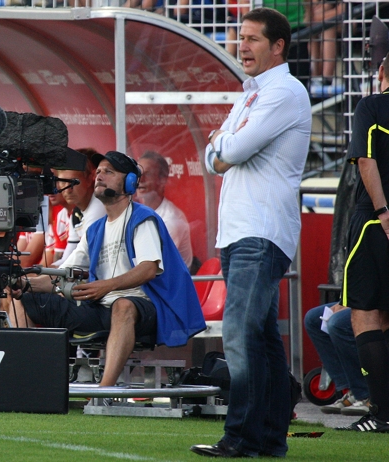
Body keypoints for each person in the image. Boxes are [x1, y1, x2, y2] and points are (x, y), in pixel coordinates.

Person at [191, 8, 311, 458]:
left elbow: (229, 148)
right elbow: (215, 154)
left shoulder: (284, 92)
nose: (242, 47)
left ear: (278, 46)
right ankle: (268, 439)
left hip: (261, 230)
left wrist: (223, 149)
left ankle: (239, 437)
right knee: (259, 338)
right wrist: (222, 150)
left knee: (240, 335)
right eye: (239, 38)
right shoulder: (252, 93)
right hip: (244, 230)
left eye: (252, 39)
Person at [11, 151, 205, 388]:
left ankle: (103, 393)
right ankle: (31, 384)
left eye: (109, 172)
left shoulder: (143, 218)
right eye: (99, 171)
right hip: (101, 308)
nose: (100, 176)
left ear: (130, 182)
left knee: (123, 305)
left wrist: (104, 286)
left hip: (146, 307)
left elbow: (148, 269)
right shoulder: (95, 230)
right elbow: (62, 276)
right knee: (26, 300)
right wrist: (24, 283)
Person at [335, 52, 389, 433]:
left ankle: (382, 414)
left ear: (383, 70)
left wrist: (384, 211)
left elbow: (366, 160)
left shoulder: (372, 105)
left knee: (366, 317)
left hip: (375, 223)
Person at [304, 302, 369, 415]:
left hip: (377, 300)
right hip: (360, 297)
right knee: (313, 319)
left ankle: (366, 394)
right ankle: (351, 390)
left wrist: (352, 303)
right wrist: (344, 301)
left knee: (337, 323)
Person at [135, 150, 194, 270]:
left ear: (162, 180)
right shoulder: (137, 212)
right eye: (138, 174)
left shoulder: (170, 221)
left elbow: (149, 269)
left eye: (148, 174)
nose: (140, 179)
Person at [52, 148, 106, 267]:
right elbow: (67, 258)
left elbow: (83, 257)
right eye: (62, 182)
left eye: (73, 182)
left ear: (90, 178)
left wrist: (44, 276)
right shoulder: (76, 213)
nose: (67, 189)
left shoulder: (99, 205)